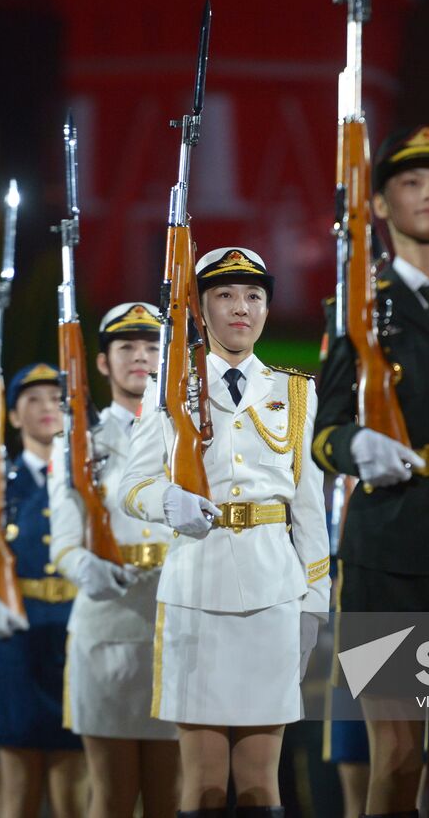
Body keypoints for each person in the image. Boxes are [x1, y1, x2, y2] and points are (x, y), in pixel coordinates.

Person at [312, 125, 429, 818]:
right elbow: (323, 432)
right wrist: (354, 445)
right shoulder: (358, 312)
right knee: (394, 759)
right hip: (384, 557)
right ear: (383, 208)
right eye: (412, 182)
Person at [117, 247, 330, 816]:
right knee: (204, 783)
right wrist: (168, 500)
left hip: (273, 593)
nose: (242, 308)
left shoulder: (295, 393)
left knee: (262, 782)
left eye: (254, 296)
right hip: (196, 591)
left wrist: (314, 600)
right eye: (226, 296)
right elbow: (130, 487)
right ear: (201, 308)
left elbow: (310, 510)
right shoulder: (167, 388)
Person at [48, 302, 180, 818]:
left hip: (174, 623)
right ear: (102, 362)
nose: (141, 358)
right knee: (111, 796)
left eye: (152, 347)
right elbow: (63, 537)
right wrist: (84, 568)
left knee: (172, 795)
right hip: (106, 628)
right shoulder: (78, 441)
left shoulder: (187, 438)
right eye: (126, 347)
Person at [0, 363, 86, 818]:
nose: (48, 407)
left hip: (76, 643)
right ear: (11, 416)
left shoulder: (89, 483)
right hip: (17, 651)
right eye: (33, 399)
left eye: (56, 398)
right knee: (18, 796)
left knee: (76, 795)